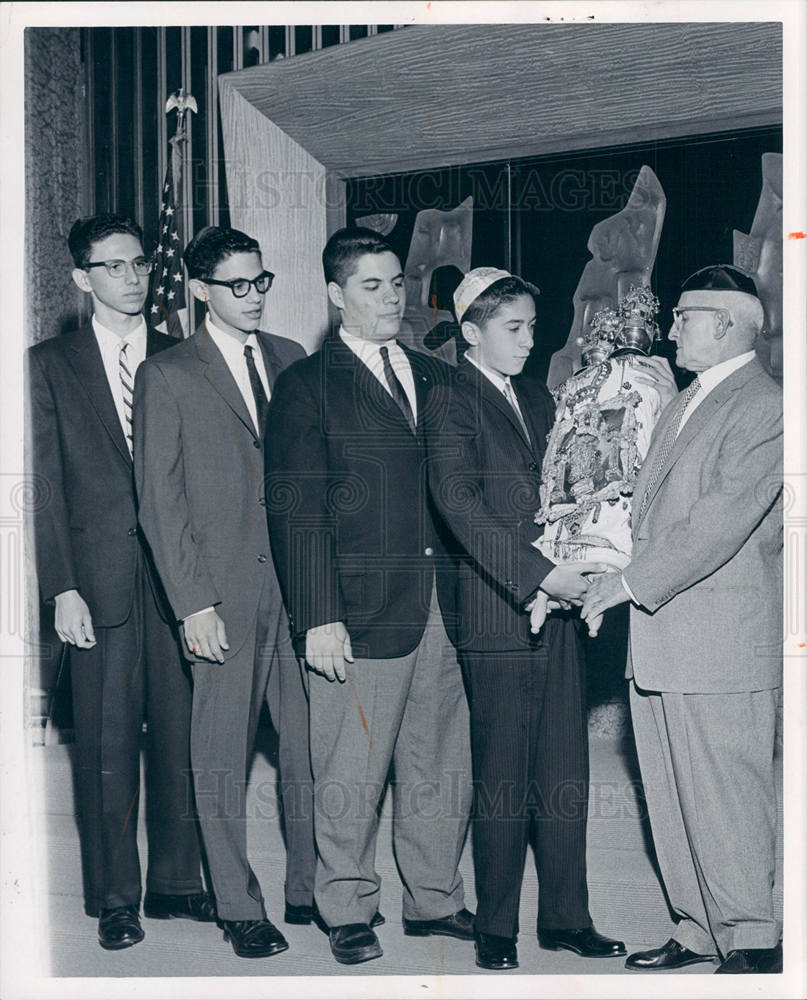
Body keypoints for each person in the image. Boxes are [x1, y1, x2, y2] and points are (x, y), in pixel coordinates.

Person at [265, 226, 474, 967]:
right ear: (335, 294)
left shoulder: (434, 374)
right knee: (351, 769)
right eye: (372, 286)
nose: (392, 298)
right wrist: (317, 615)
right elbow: (297, 508)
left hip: (441, 609)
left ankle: (434, 899)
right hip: (353, 611)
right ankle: (346, 905)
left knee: (440, 763)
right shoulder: (305, 384)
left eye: (396, 283)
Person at [582, 264, 783, 974]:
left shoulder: (768, 406)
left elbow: (716, 524)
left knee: (727, 794)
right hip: (664, 637)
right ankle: (698, 928)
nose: (669, 329)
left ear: (724, 323)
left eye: (684, 317)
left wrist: (625, 584)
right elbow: (648, 511)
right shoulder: (684, 401)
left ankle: (753, 937)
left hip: (719, 644)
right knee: (669, 796)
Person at [424, 266, 625, 971]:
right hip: (496, 608)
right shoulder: (448, 397)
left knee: (565, 766)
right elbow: (459, 506)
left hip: (560, 606)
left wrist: (593, 553)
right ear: (471, 332)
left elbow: (573, 490)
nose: (528, 341)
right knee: (504, 772)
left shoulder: (540, 397)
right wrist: (540, 575)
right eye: (513, 328)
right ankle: (496, 927)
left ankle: (566, 917)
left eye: (533, 328)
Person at [28, 214, 213, 950]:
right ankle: (114, 896)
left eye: (139, 264)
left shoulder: (184, 357)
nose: (132, 278)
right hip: (96, 580)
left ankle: (175, 883)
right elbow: (42, 486)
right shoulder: (47, 364)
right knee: (106, 742)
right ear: (81, 279)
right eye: (113, 267)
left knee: (181, 735)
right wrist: (61, 587)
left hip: (180, 581)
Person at [132, 226, 309, 959]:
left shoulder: (293, 360)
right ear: (200, 290)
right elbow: (159, 501)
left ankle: (309, 890)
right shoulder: (168, 373)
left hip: (299, 592)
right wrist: (192, 603)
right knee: (220, 755)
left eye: (261, 281)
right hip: (221, 595)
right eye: (238, 284)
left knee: (308, 749)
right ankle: (237, 903)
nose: (254, 296)